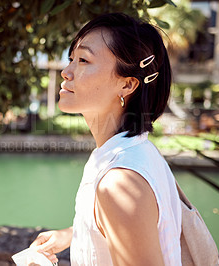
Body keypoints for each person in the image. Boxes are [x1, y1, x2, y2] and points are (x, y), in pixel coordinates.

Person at [30, 13, 181, 266]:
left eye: (84, 60)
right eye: (71, 59)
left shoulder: (119, 181)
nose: (67, 72)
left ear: (127, 85)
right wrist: (74, 234)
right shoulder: (137, 150)